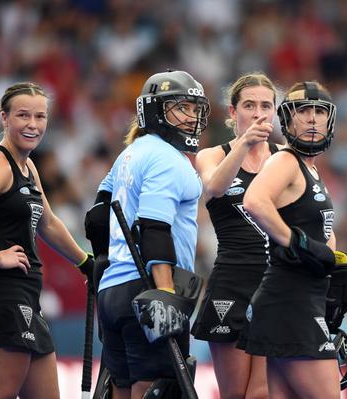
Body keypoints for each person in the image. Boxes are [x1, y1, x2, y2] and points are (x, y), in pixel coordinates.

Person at [0, 82, 94, 399]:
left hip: (27, 295)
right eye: (23, 115)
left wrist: (85, 262)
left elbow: (48, 222)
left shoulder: (27, 167)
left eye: (40, 116)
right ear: (4, 118)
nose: (32, 124)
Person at [94, 70, 210, 399]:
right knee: (157, 390)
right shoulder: (170, 160)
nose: (190, 117)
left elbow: (98, 217)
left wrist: (102, 269)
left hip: (112, 290)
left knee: (120, 388)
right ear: (156, 111)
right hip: (148, 291)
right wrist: (166, 296)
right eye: (180, 108)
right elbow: (154, 228)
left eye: (193, 108)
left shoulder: (130, 153)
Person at [241, 81, 347, 399]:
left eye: (319, 112)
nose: (312, 119)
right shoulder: (285, 161)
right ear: (287, 121)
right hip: (290, 300)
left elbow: (322, 233)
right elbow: (254, 201)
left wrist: (335, 265)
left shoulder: (310, 169)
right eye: (304, 111)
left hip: (299, 298)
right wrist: (297, 242)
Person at [190, 72, 279, 399]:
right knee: (236, 394)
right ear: (233, 112)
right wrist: (244, 144)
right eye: (250, 105)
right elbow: (213, 187)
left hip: (276, 284)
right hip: (232, 281)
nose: (258, 113)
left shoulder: (285, 159)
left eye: (266, 106)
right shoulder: (212, 154)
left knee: (262, 393)